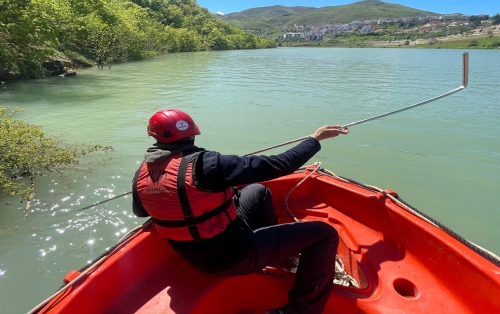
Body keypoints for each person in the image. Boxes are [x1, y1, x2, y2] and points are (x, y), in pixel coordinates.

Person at [132, 109, 349, 314]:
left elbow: (141, 211)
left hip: (195, 257)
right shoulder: (207, 165)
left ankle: (275, 255)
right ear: (193, 134)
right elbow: (280, 165)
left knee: (257, 191)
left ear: (154, 137)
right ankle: (300, 310)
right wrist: (315, 139)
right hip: (236, 256)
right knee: (325, 234)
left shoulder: (141, 174)